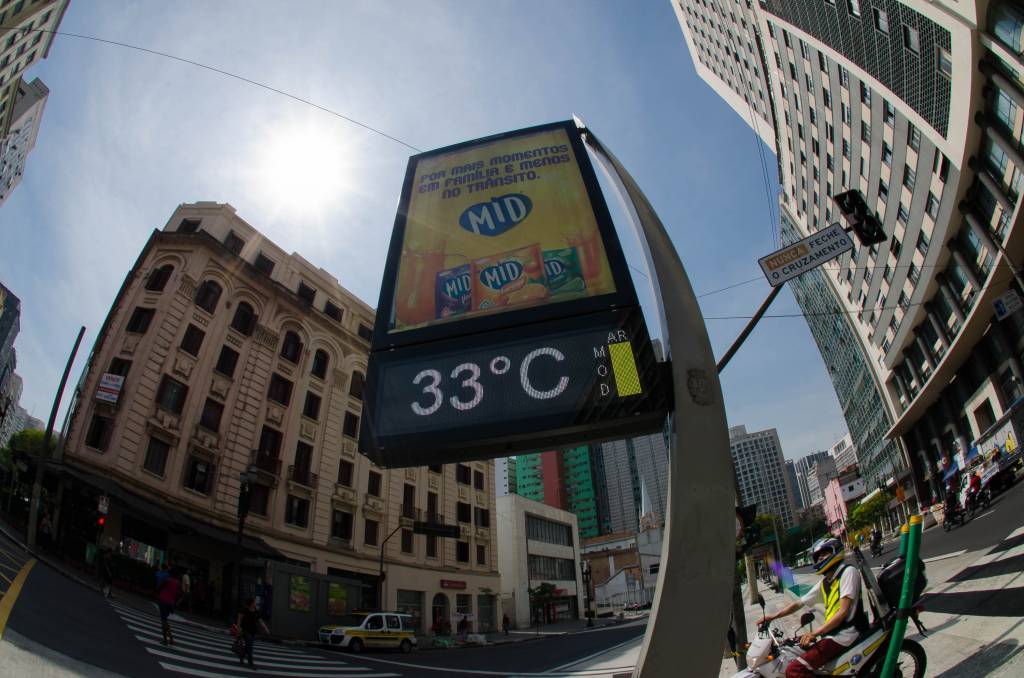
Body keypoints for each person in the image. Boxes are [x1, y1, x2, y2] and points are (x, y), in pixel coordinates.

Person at [757, 538, 867, 678]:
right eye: (817, 556)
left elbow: (842, 611)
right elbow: (798, 604)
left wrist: (814, 633)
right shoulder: (826, 582)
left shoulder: (848, 572)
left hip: (845, 634)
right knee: (790, 654)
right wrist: (773, 617)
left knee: (794, 670)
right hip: (831, 634)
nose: (820, 558)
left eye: (824, 553)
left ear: (835, 551)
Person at [236, 596, 270, 669]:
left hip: (253, 631)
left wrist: (266, 628)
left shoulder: (255, 611)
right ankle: (250, 662)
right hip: (245, 630)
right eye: (254, 602)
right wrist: (238, 629)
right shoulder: (244, 610)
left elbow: (260, 620)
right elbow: (239, 619)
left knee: (249, 645)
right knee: (250, 645)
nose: (255, 603)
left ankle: (242, 656)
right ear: (251, 603)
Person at [157, 568, 181, 646]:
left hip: (163, 600)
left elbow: (159, 587)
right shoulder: (177, 583)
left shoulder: (167, 580)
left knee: (163, 621)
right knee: (165, 620)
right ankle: (171, 639)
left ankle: (165, 641)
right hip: (170, 603)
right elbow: (177, 594)